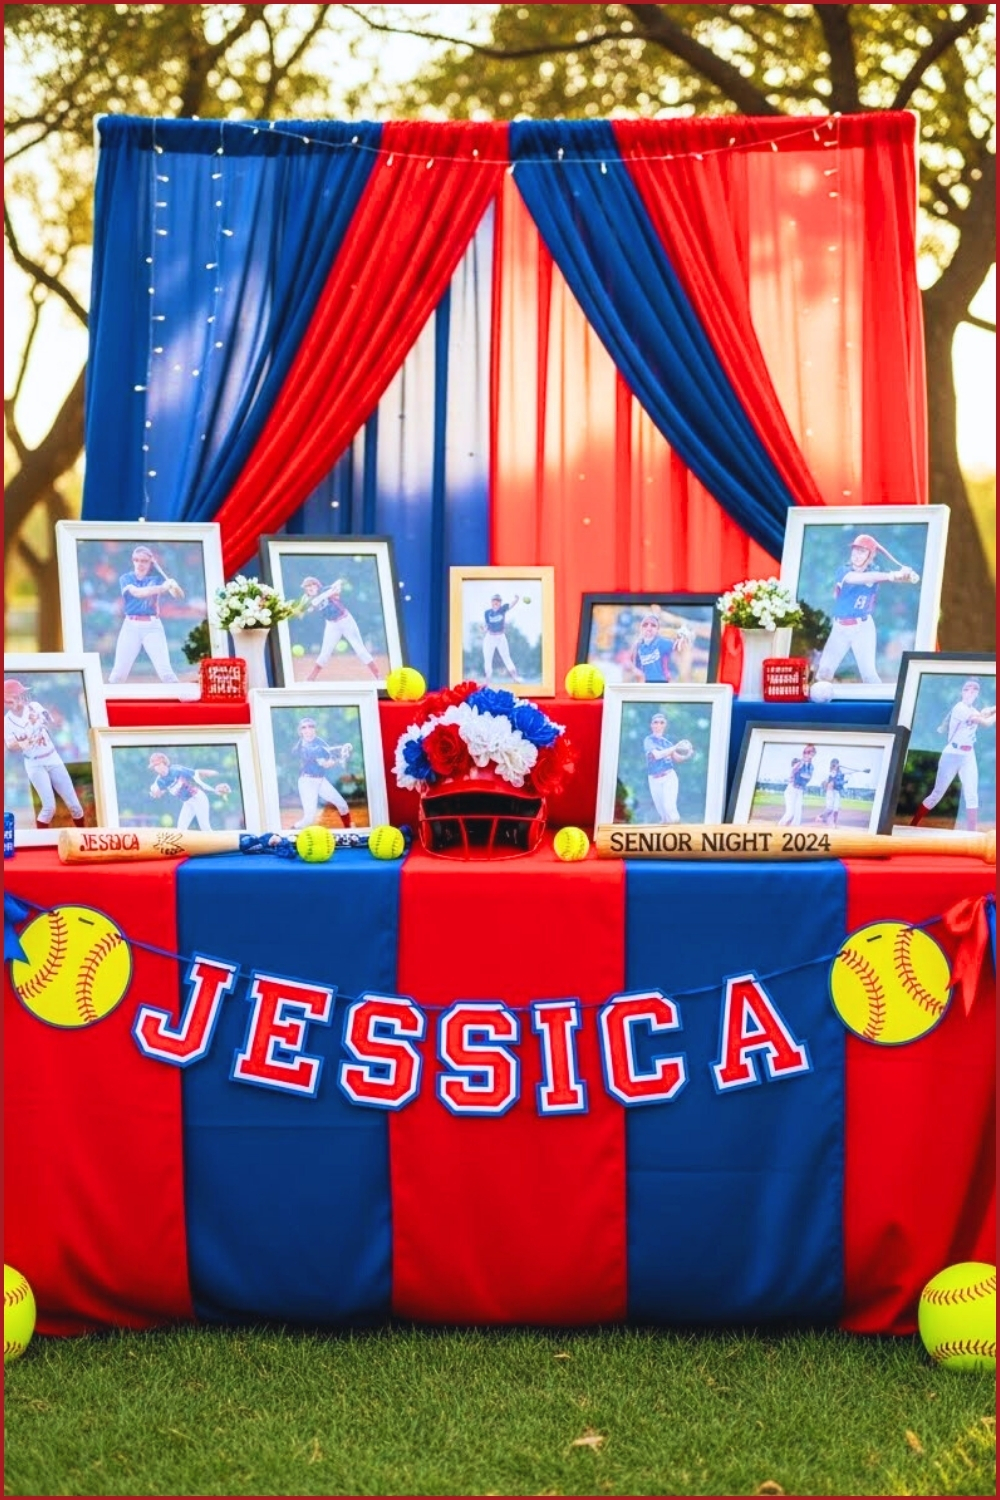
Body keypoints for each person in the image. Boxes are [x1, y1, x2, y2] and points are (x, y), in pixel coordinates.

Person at [814, 533, 920, 686]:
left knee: (869, 675)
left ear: (871, 556)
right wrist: (893, 575)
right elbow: (860, 578)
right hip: (840, 627)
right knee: (824, 672)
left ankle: (880, 706)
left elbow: (883, 577)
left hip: (863, 627)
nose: (856, 555)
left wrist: (905, 574)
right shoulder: (843, 571)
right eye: (855, 550)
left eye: (862, 551)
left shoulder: (875, 570)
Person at [910, 678, 997, 831]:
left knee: (972, 795)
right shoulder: (960, 708)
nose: (970, 691)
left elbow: (985, 713)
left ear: (977, 693)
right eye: (967, 688)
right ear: (961, 692)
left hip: (968, 754)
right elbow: (986, 722)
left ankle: (972, 834)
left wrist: (992, 709)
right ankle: (913, 824)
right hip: (952, 754)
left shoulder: (973, 710)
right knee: (937, 794)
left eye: (974, 689)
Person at [3, 679, 87, 831]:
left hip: (52, 758)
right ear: (9, 699)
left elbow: (53, 722)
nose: (23, 696)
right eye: (19, 694)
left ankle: (83, 837)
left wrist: (42, 720)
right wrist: (26, 740)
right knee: (49, 808)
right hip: (34, 764)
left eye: (22, 694)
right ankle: (40, 840)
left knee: (75, 806)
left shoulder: (34, 706)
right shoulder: (6, 722)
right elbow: (10, 745)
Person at [108, 545, 184, 684]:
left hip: (153, 626)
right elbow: (138, 593)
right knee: (118, 674)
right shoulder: (126, 578)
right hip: (130, 626)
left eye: (144, 561)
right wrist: (162, 588)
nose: (140, 564)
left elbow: (179, 596)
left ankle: (183, 704)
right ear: (133, 561)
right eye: (136, 560)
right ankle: (104, 704)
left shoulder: (157, 578)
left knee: (166, 673)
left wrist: (174, 585)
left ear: (151, 562)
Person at [300, 577, 380, 681]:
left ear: (317, 585)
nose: (309, 588)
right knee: (325, 652)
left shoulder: (325, 589)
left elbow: (339, 583)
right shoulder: (310, 599)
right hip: (332, 625)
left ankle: (378, 675)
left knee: (359, 649)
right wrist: (323, 596)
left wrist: (335, 586)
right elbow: (311, 606)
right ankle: (311, 678)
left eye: (311, 585)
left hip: (346, 621)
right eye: (307, 587)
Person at [291, 718, 354, 829]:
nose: (307, 730)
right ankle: (291, 832)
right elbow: (326, 764)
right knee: (308, 819)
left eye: (310, 726)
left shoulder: (319, 741)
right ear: (300, 731)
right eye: (304, 727)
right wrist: (340, 756)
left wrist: (338, 751)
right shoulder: (304, 747)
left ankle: (349, 832)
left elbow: (327, 750)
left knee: (343, 805)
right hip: (307, 782)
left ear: (315, 729)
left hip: (320, 780)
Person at [148, 752, 230, 831]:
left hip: (198, 798)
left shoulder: (177, 770)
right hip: (188, 802)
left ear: (164, 763)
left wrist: (216, 775)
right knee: (180, 829)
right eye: (154, 766)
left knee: (205, 827)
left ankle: (218, 843)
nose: (156, 768)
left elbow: (196, 773)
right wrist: (156, 794)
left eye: (158, 764)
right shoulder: (160, 781)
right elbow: (159, 792)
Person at [642, 712, 694, 823]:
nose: (658, 725)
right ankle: (665, 836)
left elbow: (677, 759)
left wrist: (688, 754)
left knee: (669, 807)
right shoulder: (649, 740)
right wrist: (676, 746)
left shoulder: (668, 743)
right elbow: (657, 755)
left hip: (669, 776)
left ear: (665, 725)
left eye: (661, 722)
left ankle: (677, 832)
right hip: (654, 778)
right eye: (655, 722)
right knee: (663, 815)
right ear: (651, 725)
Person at [629, 614, 692, 683]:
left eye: (653, 625)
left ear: (658, 630)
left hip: (662, 685)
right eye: (645, 625)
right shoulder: (637, 646)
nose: (649, 628)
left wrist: (682, 637)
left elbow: (680, 646)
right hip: (645, 686)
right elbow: (634, 666)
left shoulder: (662, 642)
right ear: (641, 628)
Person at [481, 592, 522, 683]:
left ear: (500, 603)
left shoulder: (502, 609)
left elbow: (511, 605)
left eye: (498, 601)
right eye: (494, 601)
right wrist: (484, 629)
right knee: (487, 659)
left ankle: (515, 678)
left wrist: (516, 599)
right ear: (491, 602)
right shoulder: (487, 613)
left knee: (506, 657)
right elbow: (487, 625)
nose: (496, 603)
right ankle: (487, 680)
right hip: (490, 637)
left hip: (500, 637)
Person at [777, 744, 817, 827]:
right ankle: (779, 827)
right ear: (805, 754)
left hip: (800, 790)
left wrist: (804, 776)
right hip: (792, 789)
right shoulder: (799, 764)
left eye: (812, 755)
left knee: (797, 816)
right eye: (809, 754)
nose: (810, 756)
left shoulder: (811, 767)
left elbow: (809, 777)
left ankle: (793, 831)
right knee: (790, 813)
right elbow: (793, 773)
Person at [817, 758, 849, 826]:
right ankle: (820, 817)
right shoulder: (830, 773)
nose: (836, 765)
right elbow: (831, 779)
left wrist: (844, 780)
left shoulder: (841, 773)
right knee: (829, 808)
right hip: (830, 791)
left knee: (836, 809)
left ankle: (834, 823)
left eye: (837, 763)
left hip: (837, 791)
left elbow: (840, 781)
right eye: (834, 763)